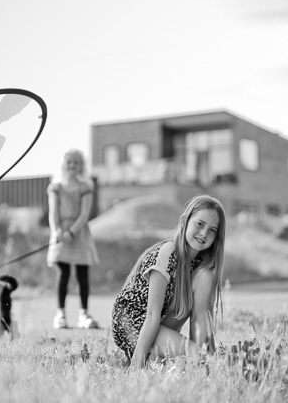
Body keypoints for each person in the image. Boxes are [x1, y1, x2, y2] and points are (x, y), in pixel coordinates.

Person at [111, 194, 226, 368]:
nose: (204, 233)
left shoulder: (201, 267)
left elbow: (200, 317)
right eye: (200, 224)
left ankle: (186, 361)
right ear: (185, 221)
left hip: (160, 325)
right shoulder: (167, 253)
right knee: (198, 358)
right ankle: (147, 357)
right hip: (132, 323)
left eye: (212, 230)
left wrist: (209, 354)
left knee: (205, 276)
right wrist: (136, 364)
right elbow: (151, 314)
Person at [47, 149, 100, 329]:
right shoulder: (55, 187)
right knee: (63, 273)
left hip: (80, 232)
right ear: (63, 164)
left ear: (81, 166)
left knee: (82, 274)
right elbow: (53, 212)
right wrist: (57, 232)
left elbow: (84, 214)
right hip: (61, 233)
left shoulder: (85, 187)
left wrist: (72, 232)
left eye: (76, 162)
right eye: (69, 162)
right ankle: (60, 314)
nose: (72, 165)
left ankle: (84, 314)